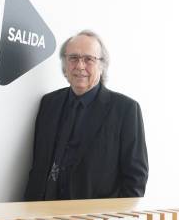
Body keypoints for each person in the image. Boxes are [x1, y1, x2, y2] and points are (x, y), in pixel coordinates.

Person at [24, 30, 148, 201]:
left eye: (88, 59)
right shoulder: (49, 103)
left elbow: (136, 180)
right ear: (65, 64)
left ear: (102, 65)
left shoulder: (125, 110)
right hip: (42, 217)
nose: (80, 66)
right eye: (73, 58)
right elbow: (37, 166)